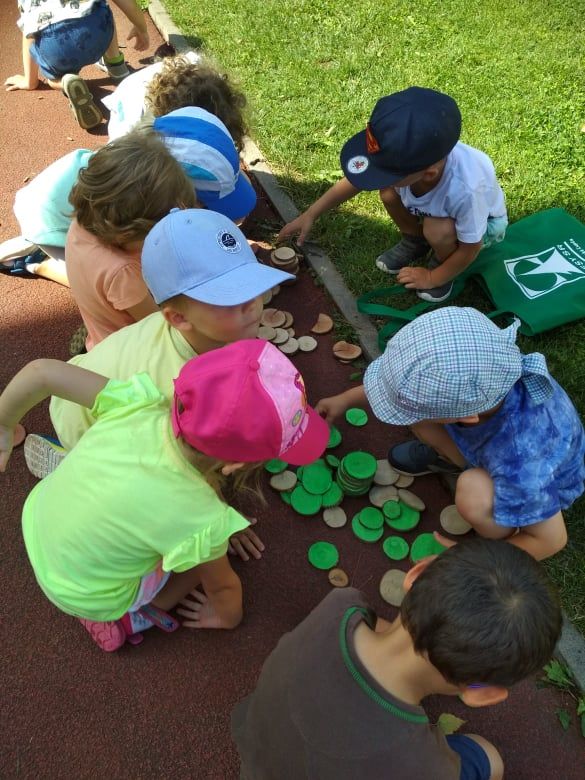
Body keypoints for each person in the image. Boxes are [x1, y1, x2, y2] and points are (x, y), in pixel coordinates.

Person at [0, 338, 330, 652]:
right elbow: (223, 586)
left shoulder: (137, 401)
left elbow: (42, 373)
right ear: (235, 465)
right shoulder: (201, 517)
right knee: (201, 555)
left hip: (36, 520)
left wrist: (3, 425)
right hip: (91, 596)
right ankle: (138, 616)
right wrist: (229, 618)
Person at [232, 538, 562, 780]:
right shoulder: (425, 768)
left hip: (258, 755)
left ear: (416, 575)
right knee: (488, 758)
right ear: (482, 693)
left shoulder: (340, 605)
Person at [317, 307, 585, 560]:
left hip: (536, 482)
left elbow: (551, 541)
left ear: (467, 417)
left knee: (472, 494)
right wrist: (345, 400)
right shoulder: (488, 365)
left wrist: (470, 561)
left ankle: (505, 530)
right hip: (494, 447)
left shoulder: (521, 460)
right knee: (420, 417)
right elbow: (400, 390)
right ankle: (454, 460)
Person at [278, 87, 507, 303]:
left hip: (485, 225)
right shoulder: (411, 161)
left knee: (437, 230)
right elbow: (356, 181)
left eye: (385, 173)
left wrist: (432, 278)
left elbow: (470, 248)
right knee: (388, 192)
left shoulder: (467, 190)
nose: (377, 178)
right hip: (437, 209)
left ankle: (442, 261)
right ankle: (415, 240)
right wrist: (311, 214)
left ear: (428, 174)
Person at [0, 106, 256, 283]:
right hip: (54, 223)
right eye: (206, 205)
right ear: (176, 195)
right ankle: (39, 262)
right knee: (115, 282)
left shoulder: (146, 171)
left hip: (68, 201)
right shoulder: (134, 207)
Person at [65, 126, 197, 350]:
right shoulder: (123, 273)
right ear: (127, 232)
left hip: (103, 333)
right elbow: (164, 330)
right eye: (160, 226)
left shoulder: (82, 223)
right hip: (128, 357)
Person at [5, 1, 149, 129]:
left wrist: (30, 81)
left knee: (51, 77)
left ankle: (64, 81)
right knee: (102, 8)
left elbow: (28, 31)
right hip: (98, 32)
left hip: (57, 46)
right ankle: (116, 66)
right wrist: (142, 28)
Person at [104, 52, 249, 150]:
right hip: (128, 95)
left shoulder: (211, 88)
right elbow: (111, 166)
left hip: (173, 79)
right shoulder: (130, 126)